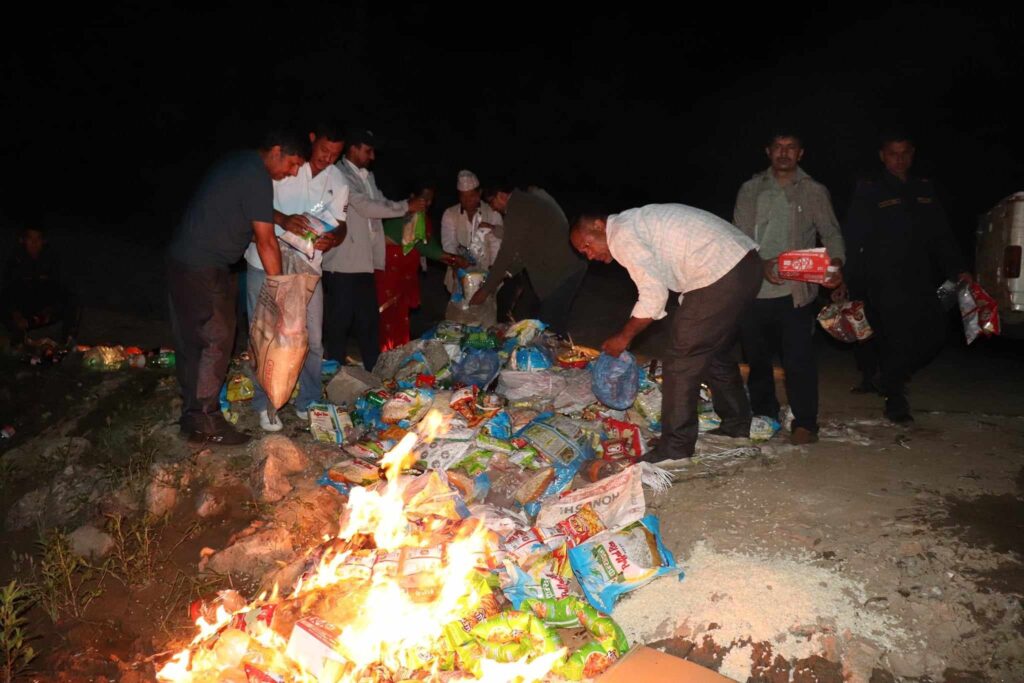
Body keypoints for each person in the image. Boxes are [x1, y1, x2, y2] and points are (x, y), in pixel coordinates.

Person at [571, 204, 761, 464]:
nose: (589, 256)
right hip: (743, 265)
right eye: (583, 253)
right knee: (712, 352)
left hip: (720, 270)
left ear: (598, 226)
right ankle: (736, 425)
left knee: (681, 359)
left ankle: (676, 447)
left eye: (587, 246)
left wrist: (623, 337)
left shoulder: (622, 234)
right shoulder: (635, 223)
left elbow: (653, 295)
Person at [166, 130, 305, 445]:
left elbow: (246, 207)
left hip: (182, 260)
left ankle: (192, 417)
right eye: (293, 163)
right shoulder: (257, 176)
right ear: (277, 150)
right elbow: (266, 242)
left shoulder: (240, 162)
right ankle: (207, 421)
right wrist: (281, 294)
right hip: (204, 266)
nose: (293, 172)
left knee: (192, 341)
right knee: (216, 340)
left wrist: (281, 218)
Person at [843, 131, 970, 423]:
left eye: (904, 153)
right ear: (882, 156)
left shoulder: (924, 188)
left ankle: (887, 377)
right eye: (892, 153)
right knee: (898, 337)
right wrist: (848, 279)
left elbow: (942, 236)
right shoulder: (870, 188)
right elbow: (853, 236)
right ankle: (895, 401)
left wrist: (958, 268)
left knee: (936, 335)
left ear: (912, 154)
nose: (899, 159)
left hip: (923, 276)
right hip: (883, 277)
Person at [733, 131, 846, 445]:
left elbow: (831, 233)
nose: (784, 153)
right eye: (778, 147)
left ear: (801, 153)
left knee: (799, 361)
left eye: (791, 147)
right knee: (757, 362)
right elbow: (740, 240)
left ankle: (805, 423)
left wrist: (836, 265)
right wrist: (762, 265)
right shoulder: (750, 189)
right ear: (768, 151)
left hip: (796, 293)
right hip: (754, 291)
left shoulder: (813, 191)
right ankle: (765, 417)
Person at [243, 122, 349, 432]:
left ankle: (309, 399)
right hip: (264, 258)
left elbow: (340, 224)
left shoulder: (338, 179)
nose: (326, 159)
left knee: (312, 338)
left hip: (308, 267)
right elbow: (254, 205)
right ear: (312, 139)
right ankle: (265, 404)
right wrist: (284, 222)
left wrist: (334, 238)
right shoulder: (290, 163)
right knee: (264, 333)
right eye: (323, 151)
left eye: (334, 155)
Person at [326, 128, 427, 370]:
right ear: (353, 148)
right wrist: (406, 206)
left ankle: (374, 372)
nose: (372, 156)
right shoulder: (338, 174)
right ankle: (332, 372)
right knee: (339, 323)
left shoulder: (366, 177)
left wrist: (407, 215)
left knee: (369, 321)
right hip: (342, 261)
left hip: (365, 261)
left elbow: (380, 203)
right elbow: (366, 206)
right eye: (367, 150)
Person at [470, 184, 586, 335]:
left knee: (547, 329)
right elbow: (527, 248)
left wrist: (484, 291)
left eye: (492, 202)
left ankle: (554, 355)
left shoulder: (518, 208)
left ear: (501, 195)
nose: (493, 208)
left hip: (561, 274)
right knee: (545, 324)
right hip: (567, 270)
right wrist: (508, 272)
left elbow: (506, 253)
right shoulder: (527, 202)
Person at [377, 182, 467, 350]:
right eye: (424, 198)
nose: (428, 203)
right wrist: (453, 259)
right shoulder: (408, 215)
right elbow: (423, 246)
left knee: (400, 320)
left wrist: (451, 260)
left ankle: (397, 357)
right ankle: (385, 359)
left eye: (430, 200)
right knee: (388, 322)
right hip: (390, 275)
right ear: (412, 197)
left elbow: (429, 244)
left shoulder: (421, 217)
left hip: (403, 277)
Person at [1, 226, 77, 346]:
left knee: (71, 300)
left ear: (44, 241)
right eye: (30, 238)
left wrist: (44, 313)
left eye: (38, 239)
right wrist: (16, 315)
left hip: (42, 311)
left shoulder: (50, 259)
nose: (34, 243)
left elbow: (59, 289)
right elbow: (7, 291)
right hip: (21, 309)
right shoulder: (15, 260)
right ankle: (16, 341)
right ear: (23, 240)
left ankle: (67, 341)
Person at [440, 170, 503, 293]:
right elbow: (449, 244)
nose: (467, 200)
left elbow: (497, 246)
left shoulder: (492, 213)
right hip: (458, 272)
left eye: (471, 196)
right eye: (463, 196)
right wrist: (455, 266)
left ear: (479, 193)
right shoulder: (450, 214)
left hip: (487, 275)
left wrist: (492, 275)